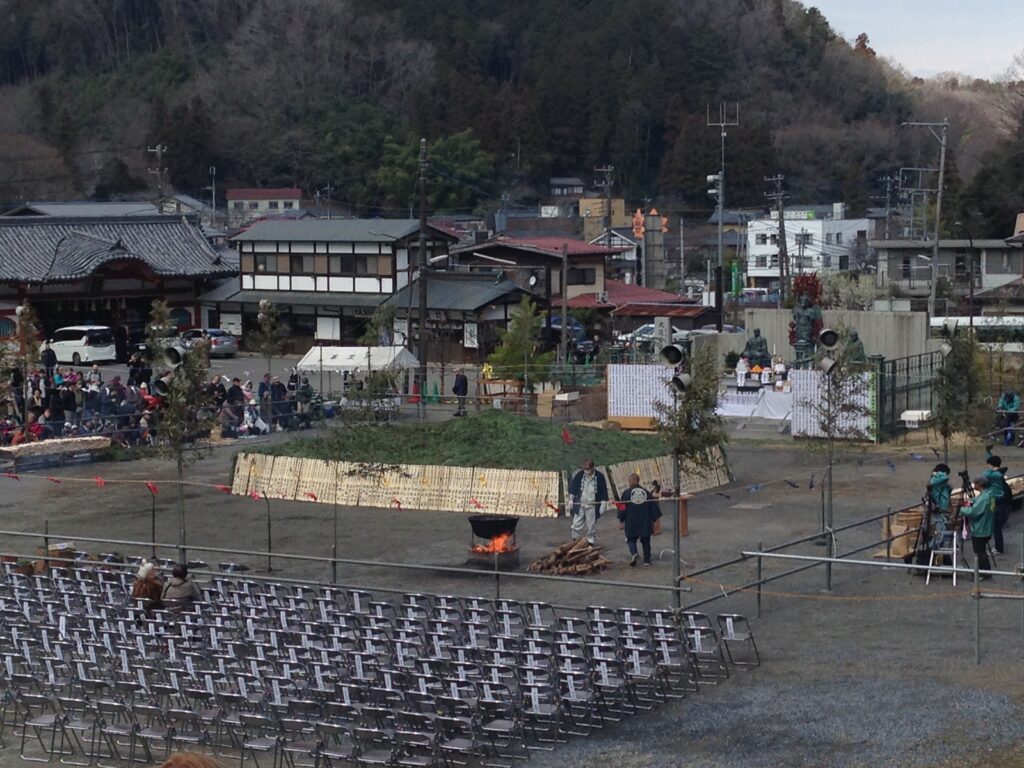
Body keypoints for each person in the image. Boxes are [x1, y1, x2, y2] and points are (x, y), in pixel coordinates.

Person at [617, 472, 662, 567]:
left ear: (630, 481)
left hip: (631, 521)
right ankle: (646, 560)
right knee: (645, 540)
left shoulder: (626, 493)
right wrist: (655, 520)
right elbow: (653, 507)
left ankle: (634, 553)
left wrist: (621, 519)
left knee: (630, 539)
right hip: (645, 521)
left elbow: (622, 508)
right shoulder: (646, 493)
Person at [960, 475, 997, 577]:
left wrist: (961, 509)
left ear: (979, 485)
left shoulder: (984, 498)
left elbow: (974, 512)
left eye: (975, 483)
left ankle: (985, 572)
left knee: (980, 552)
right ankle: (984, 571)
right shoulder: (989, 495)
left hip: (981, 528)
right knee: (981, 551)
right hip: (986, 526)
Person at [568, 459, 609, 546]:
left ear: (592, 468)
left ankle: (590, 542)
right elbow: (573, 488)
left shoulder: (599, 476)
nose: (586, 471)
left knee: (591, 525)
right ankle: (575, 540)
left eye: (587, 469)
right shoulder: (580, 475)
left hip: (592, 505)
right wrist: (571, 499)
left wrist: (603, 502)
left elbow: (603, 490)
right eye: (584, 469)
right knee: (576, 524)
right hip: (580, 504)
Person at [985, 454, 1011, 554]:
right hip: (1001, 504)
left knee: (996, 527)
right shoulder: (999, 474)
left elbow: (984, 475)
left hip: (999, 505)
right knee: (996, 527)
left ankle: (999, 548)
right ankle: (998, 547)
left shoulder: (995, 475)